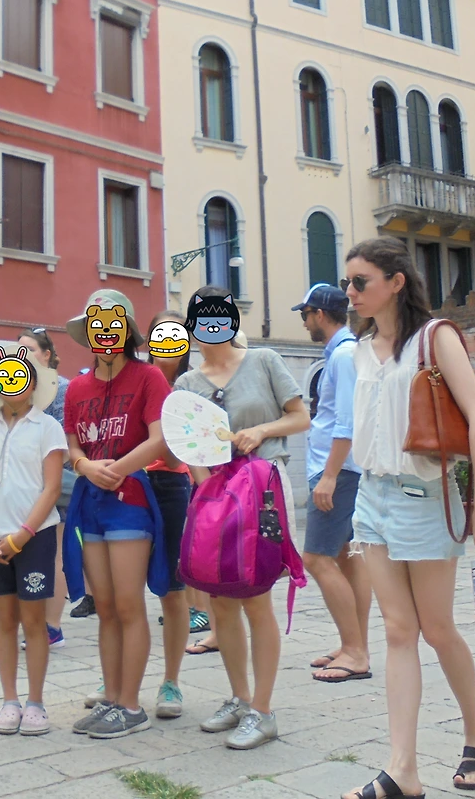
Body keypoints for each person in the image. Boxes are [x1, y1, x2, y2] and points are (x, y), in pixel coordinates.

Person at [341, 237, 475, 799]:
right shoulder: (357, 350)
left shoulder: (435, 338)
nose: (351, 292)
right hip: (372, 499)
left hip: (425, 496)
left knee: (436, 629)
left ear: (396, 281)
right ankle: (402, 770)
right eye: (347, 284)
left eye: (361, 282)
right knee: (397, 630)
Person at [173, 286, 310, 750]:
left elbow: (300, 417)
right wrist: (201, 479)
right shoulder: (188, 383)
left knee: (256, 597)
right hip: (215, 497)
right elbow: (184, 444)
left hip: (265, 490)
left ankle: (263, 710)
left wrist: (261, 430)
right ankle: (238, 696)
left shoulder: (264, 360)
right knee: (221, 600)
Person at [62, 290, 172, 741]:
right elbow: (72, 444)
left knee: (128, 605)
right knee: (104, 606)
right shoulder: (76, 387)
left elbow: (162, 439)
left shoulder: (148, 377)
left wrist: (117, 469)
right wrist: (86, 466)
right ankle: (111, 697)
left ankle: (131, 704)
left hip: (130, 499)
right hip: (91, 502)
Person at [0, 345, 66, 735]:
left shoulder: (47, 428)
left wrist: (22, 535)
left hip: (34, 537)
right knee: (4, 621)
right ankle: (9, 700)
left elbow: (51, 487)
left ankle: (36, 702)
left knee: (34, 621)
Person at [293, 284, 372, 683]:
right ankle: (354, 644)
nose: (304, 322)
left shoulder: (341, 357)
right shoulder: (348, 353)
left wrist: (328, 476)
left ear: (319, 314)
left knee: (317, 559)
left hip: (336, 471)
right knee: (346, 557)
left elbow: (345, 422)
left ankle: (356, 652)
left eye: (304, 315)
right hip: (345, 471)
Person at [143, 310, 195, 721]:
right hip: (132, 487)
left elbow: (181, 450)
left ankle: (171, 681)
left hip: (173, 488)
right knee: (121, 593)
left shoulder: (192, 387)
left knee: (173, 592)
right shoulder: (135, 380)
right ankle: (116, 677)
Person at [16, 328, 72, 647]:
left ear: (46, 355)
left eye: (30, 350)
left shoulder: (61, 389)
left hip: (54, 482)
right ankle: (28, 619)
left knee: (55, 552)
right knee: (24, 550)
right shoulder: (17, 388)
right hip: (24, 484)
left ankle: (52, 626)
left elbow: (63, 441)